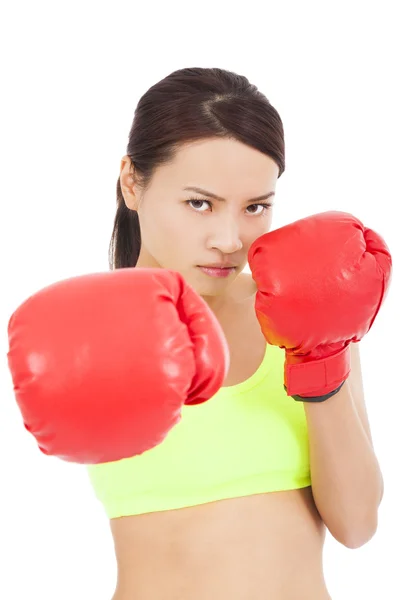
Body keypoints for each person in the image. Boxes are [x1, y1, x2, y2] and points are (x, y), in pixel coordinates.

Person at [7, 67, 392, 600]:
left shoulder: (308, 309)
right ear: (132, 182)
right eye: (199, 203)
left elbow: (357, 526)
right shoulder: (90, 327)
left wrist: (319, 358)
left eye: (256, 206)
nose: (229, 239)